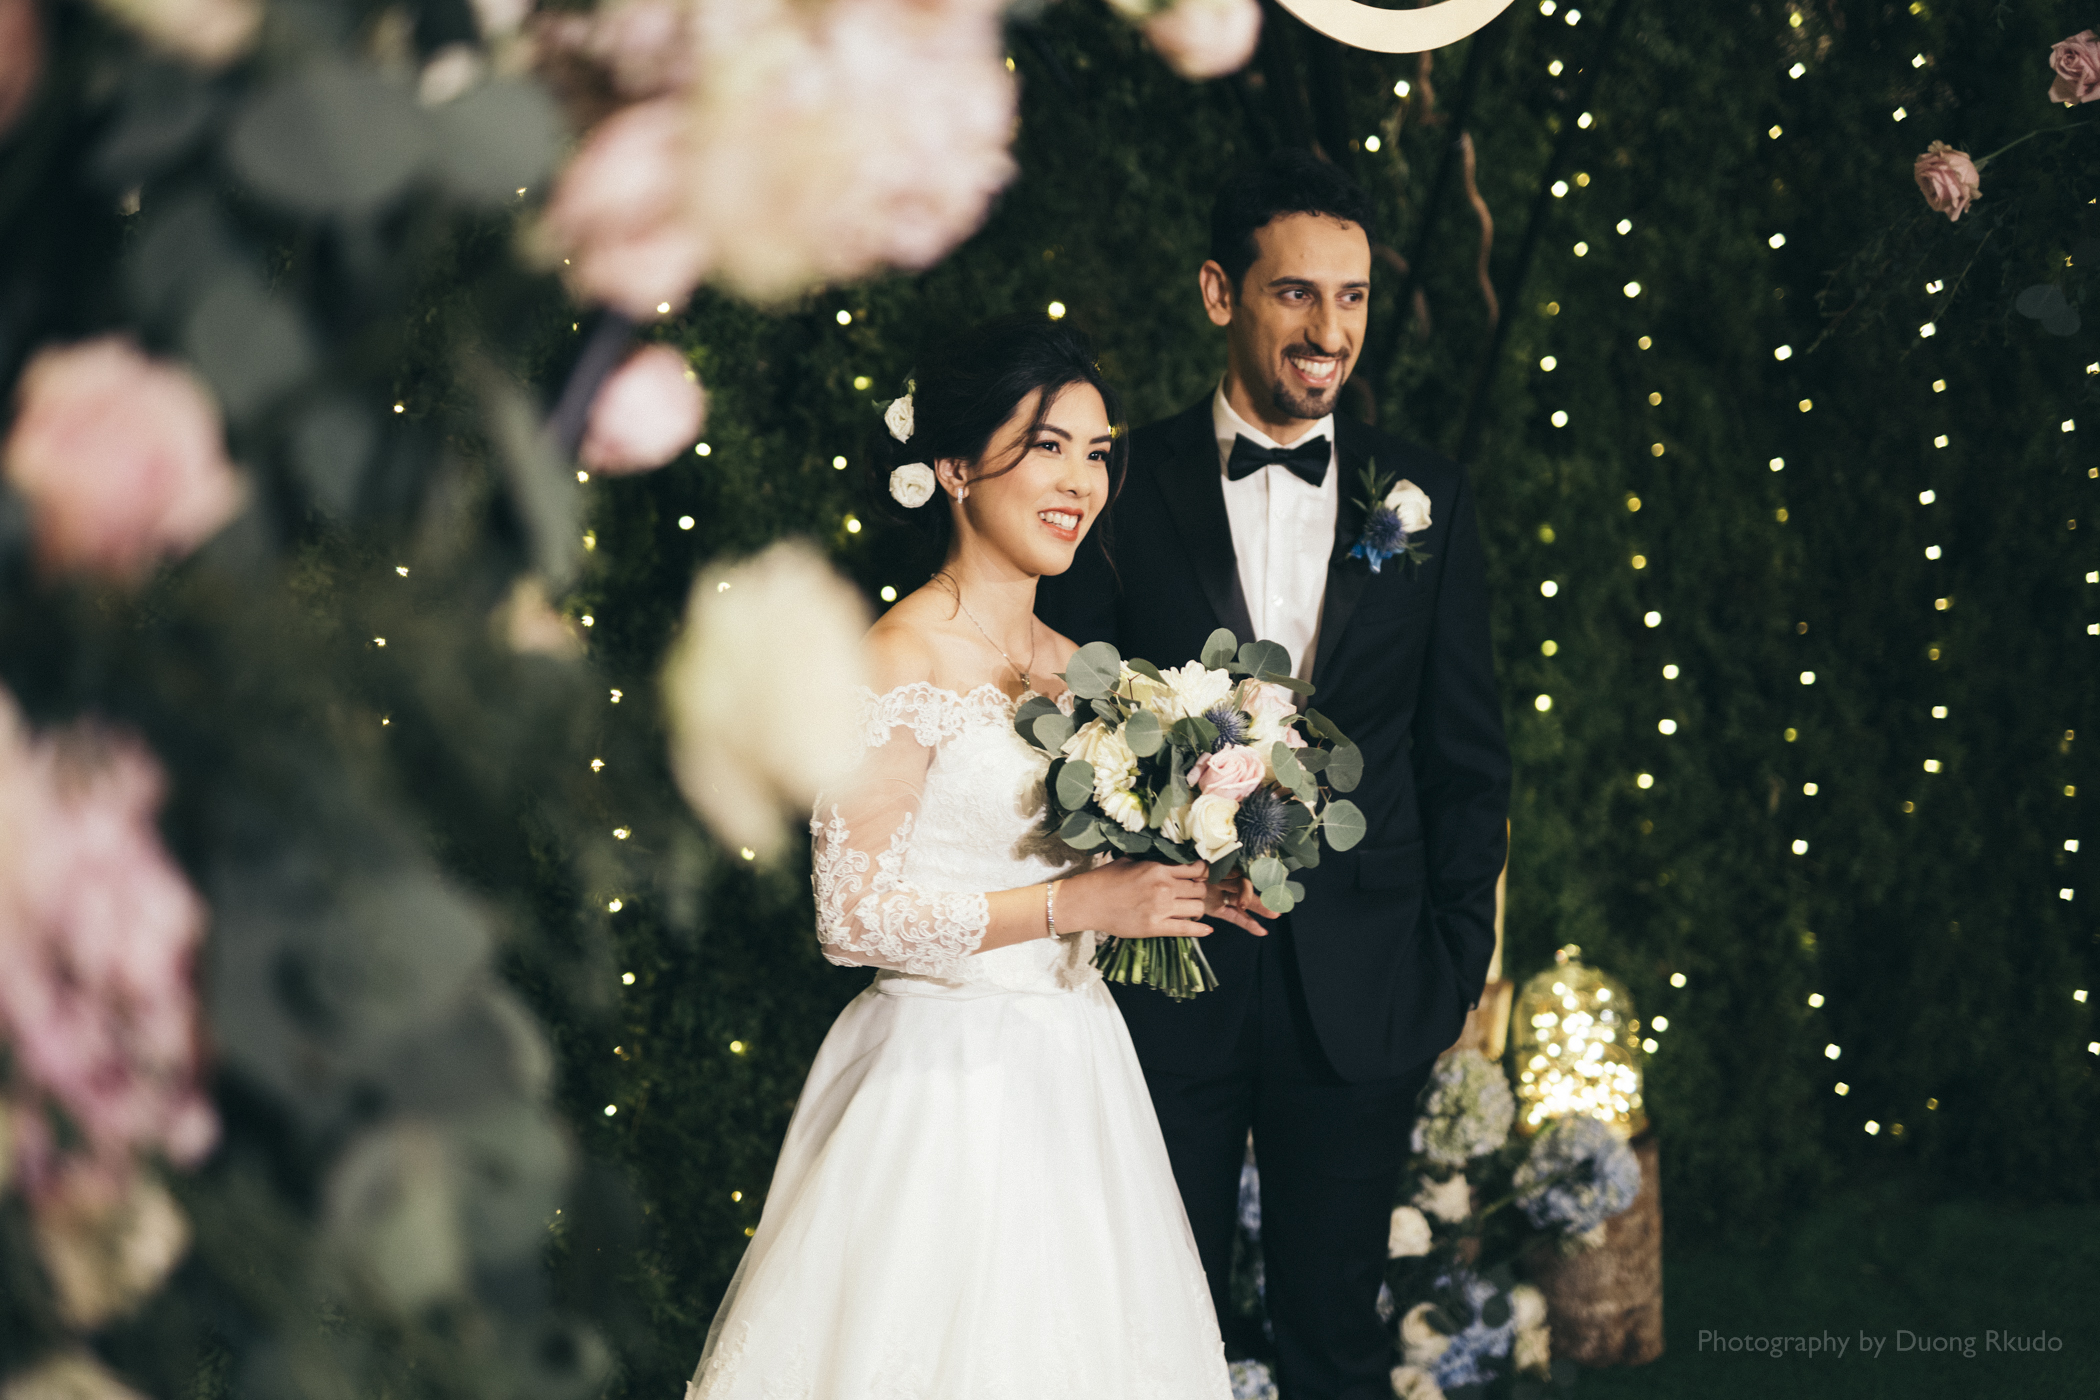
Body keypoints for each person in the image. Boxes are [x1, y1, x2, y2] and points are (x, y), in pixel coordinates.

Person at [686, 316, 1257, 1400]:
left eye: (1098, 452)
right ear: (954, 468)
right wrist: (1072, 904)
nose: (1081, 481)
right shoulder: (898, 656)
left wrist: (1181, 876)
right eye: (1048, 446)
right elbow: (850, 917)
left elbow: (1087, 863)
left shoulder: (1083, 670)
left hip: (1078, 1070)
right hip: (940, 1082)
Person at [1036, 150, 1512, 1400]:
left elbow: (1466, 756)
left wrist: (1451, 961)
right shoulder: (1118, 483)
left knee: (1336, 1337)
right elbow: (1061, 724)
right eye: (1296, 292)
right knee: (1155, 1326)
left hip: (1365, 987)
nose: (1329, 330)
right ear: (1219, 293)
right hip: (1166, 982)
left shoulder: (1427, 496)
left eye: (1351, 297)